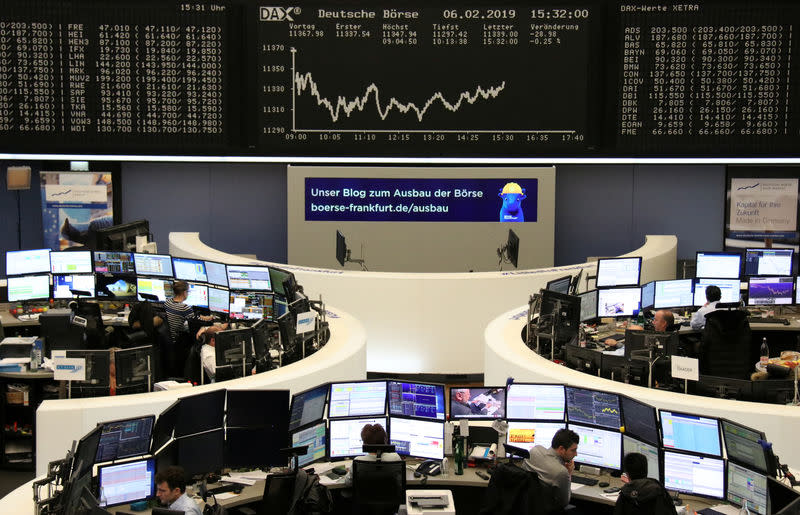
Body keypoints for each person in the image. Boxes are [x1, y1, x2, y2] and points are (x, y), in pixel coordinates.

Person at [523, 428, 579, 512]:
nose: (576, 454)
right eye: (573, 450)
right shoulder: (561, 472)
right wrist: (569, 473)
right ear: (561, 449)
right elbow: (564, 502)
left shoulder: (534, 450)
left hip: (525, 507)